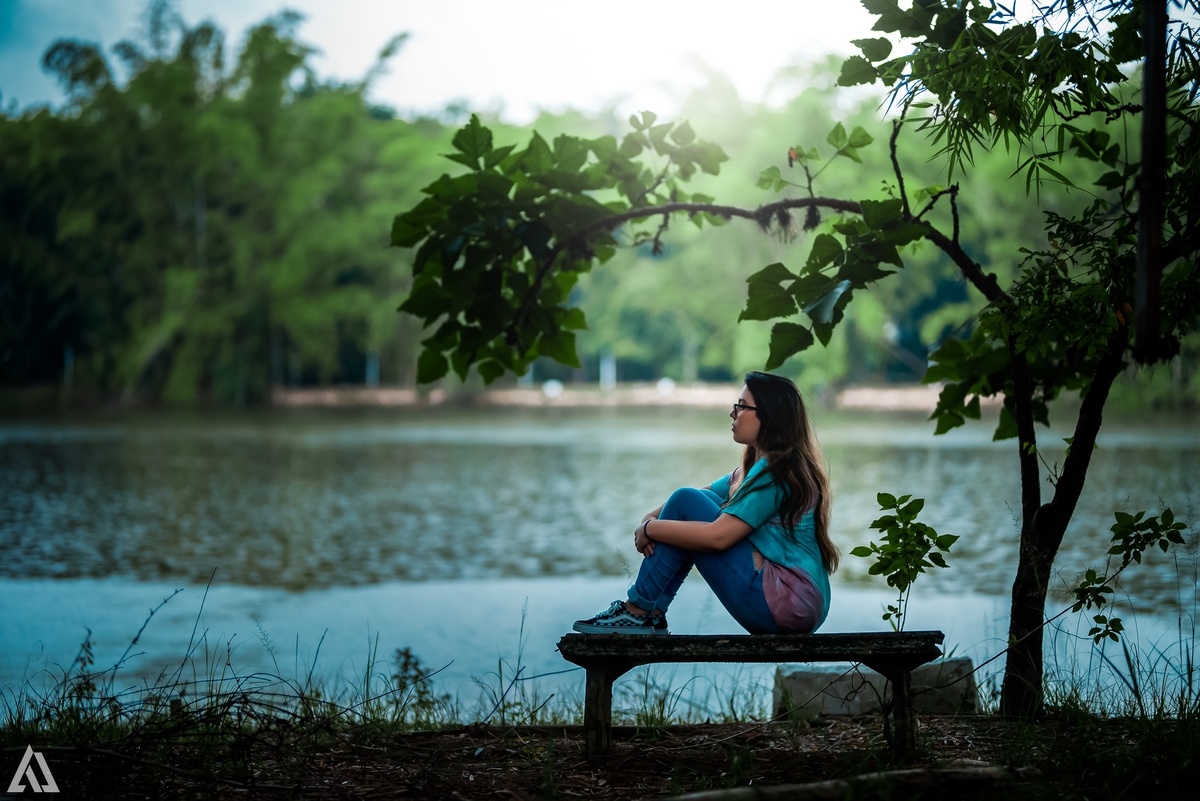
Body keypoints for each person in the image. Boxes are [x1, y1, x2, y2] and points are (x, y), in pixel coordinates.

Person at [572, 371, 838, 635]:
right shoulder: (763, 468)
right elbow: (704, 495)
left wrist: (650, 529)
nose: (732, 413)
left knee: (685, 501)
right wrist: (649, 517)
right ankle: (648, 614)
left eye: (742, 406)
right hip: (795, 604)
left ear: (768, 417)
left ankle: (638, 612)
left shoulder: (776, 473)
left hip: (786, 604)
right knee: (694, 500)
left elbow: (717, 538)